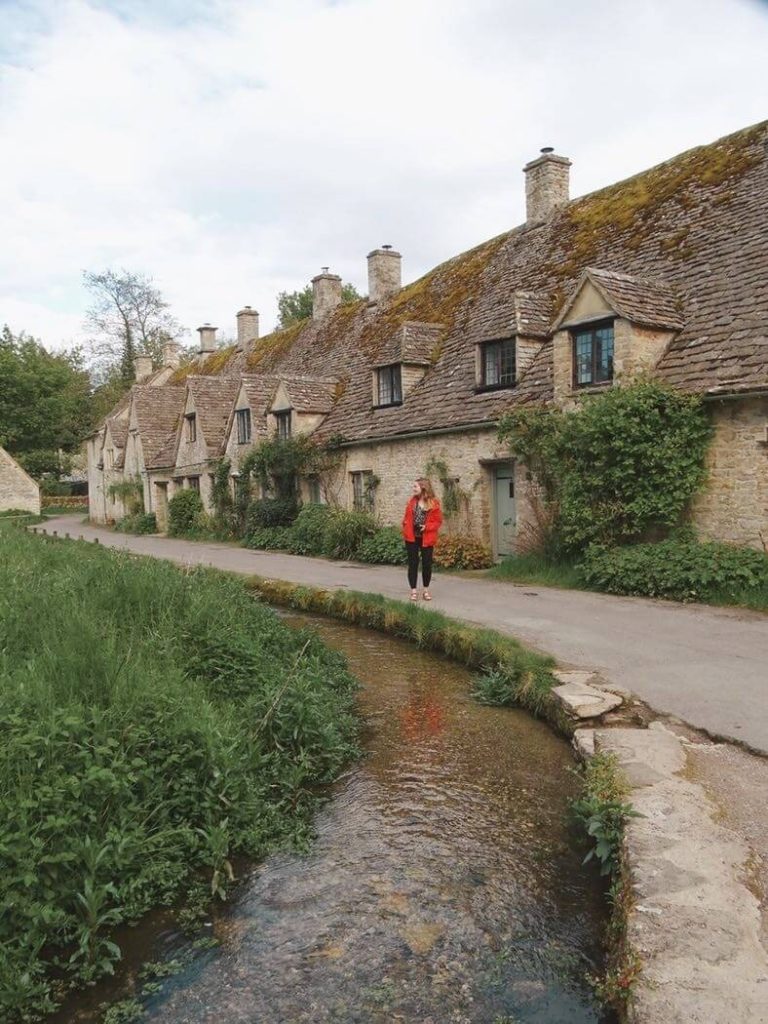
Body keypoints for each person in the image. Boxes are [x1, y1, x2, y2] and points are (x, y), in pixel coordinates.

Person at [401, 477, 443, 602]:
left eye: (415, 486)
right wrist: (405, 524)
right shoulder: (411, 502)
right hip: (412, 538)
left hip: (427, 538)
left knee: (426, 565)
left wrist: (427, 527)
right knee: (413, 564)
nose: (413, 489)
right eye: (413, 486)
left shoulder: (433, 503)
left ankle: (425, 590)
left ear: (423, 487)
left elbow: (438, 521)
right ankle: (413, 591)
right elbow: (406, 518)